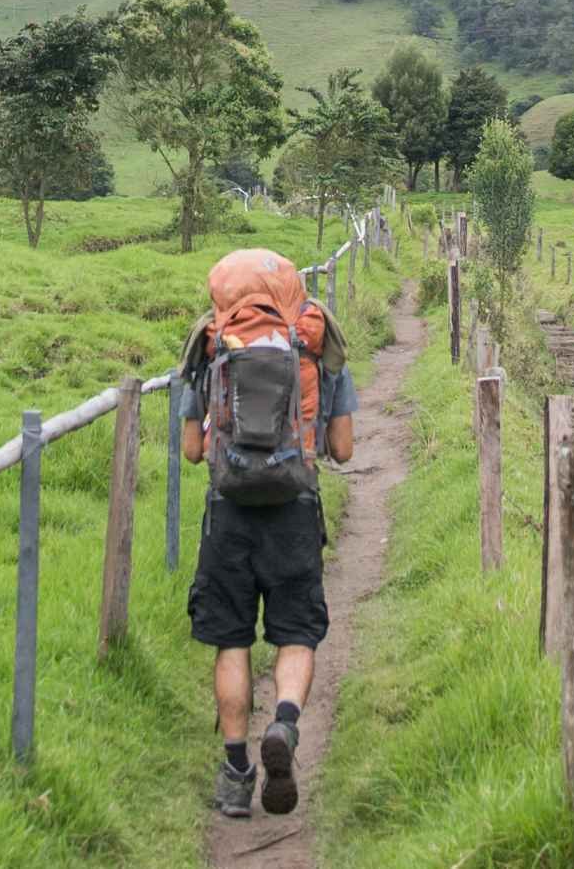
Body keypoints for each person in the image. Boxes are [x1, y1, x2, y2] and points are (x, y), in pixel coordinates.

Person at [174, 247, 355, 819]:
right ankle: (284, 723)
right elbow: (344, 448)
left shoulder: (212, 343)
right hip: (296, 508)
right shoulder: (314, 342)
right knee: (296, 632)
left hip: (228, 511)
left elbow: (192, 450)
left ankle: (234, 774)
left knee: (231, 641)